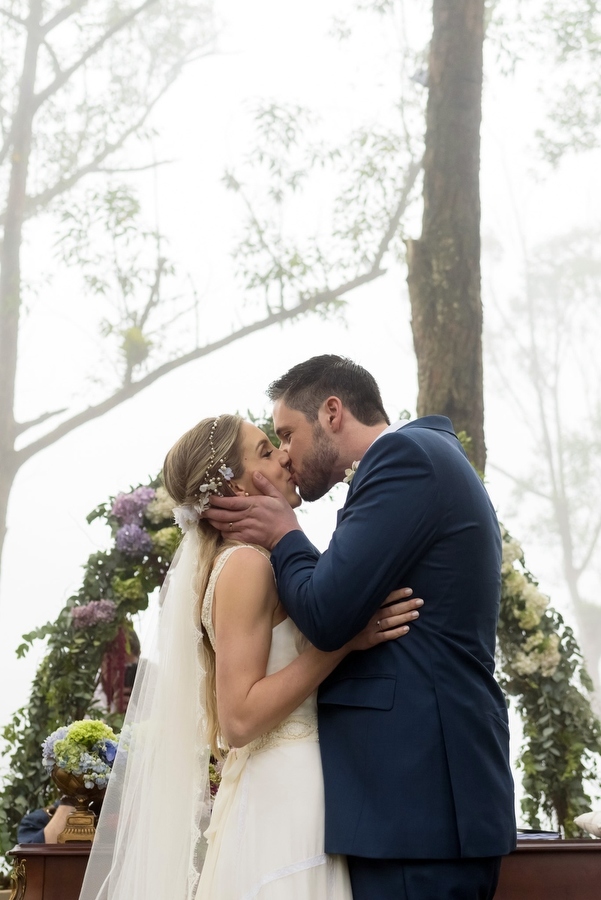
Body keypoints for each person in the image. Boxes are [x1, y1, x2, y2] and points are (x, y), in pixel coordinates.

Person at [206, 356, 516, 900]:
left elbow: (326, 614)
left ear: (331, 413)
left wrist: (285, 534)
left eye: (287, 434)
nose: (284, 454)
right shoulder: (423, 459)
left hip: (416, 808)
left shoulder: (403, 458)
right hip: (414, 806)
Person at [78, 414, 421, 900]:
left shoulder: (261, 561)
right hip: (284, 790)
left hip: (294, 785)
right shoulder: (246, 566)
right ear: (235, 488)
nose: (283, 455)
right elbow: (238, 717)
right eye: (264, 451)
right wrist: (343, 639)